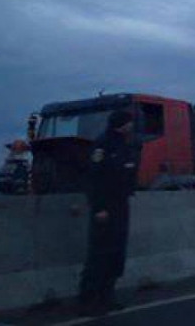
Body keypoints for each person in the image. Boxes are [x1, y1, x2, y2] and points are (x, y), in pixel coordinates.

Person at [78, 110, 137, 316]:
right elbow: (94, 179)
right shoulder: (103, 145)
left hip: (121, 205)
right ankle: (87, 300)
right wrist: (99, 207)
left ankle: (107, 297)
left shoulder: (125, 145)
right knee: (99, 254)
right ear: (121, 124)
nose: (131, 125)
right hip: (105, 207)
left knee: (116, 253)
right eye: (129, 122)